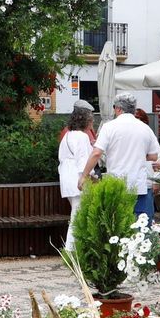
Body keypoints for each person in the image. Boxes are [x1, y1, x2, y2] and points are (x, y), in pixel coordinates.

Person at [79, 93, 160, 220]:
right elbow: (153, 155)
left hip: (116, 185)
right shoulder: (145, 128)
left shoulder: (109, 127)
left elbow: (96, 153)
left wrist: (84, 176)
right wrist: (137, 155)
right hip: (139, 185)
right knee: (141, 228)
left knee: (118, 227)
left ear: (118, 108)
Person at [56, 105, 96, 248]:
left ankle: (75, 247)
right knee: (77, 216)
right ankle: (71, 249)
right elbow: (83, 160)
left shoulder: (68, 135)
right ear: (85, 121)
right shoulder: (82, 136)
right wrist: (89, 176)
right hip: (77, 179)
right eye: (91, 121)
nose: (92, 124)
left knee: (77, 213)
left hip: (66, 179)